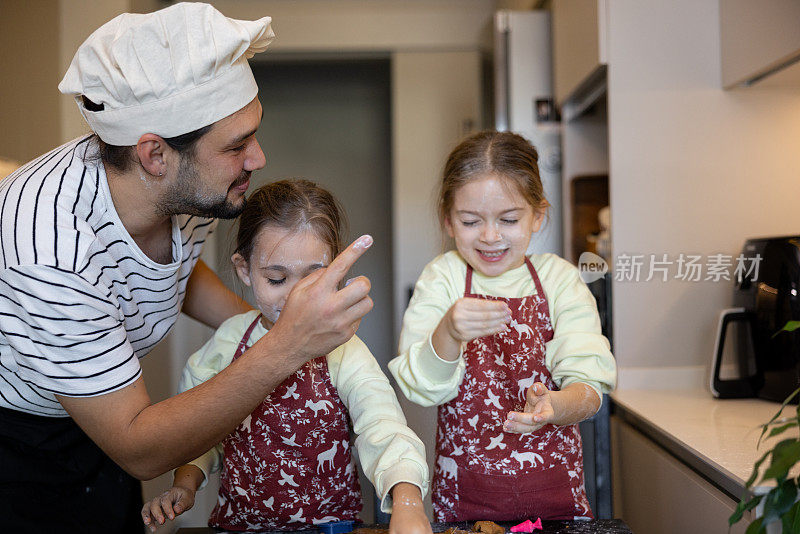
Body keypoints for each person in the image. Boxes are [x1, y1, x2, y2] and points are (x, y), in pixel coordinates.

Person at [0, 4, 373, 532]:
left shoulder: (189, 189)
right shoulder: (49, 252)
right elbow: (139, 447)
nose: (258, 158)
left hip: (107, 425)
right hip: (19, 446)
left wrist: (256, 323)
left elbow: (170, 264)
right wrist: (287, 342)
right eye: (237, 145)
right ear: (154, 154)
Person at [140, 180, 431, 533]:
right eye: (277, 278)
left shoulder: (345, 351)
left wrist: (408, 500)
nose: (297, 299)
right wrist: (184, 486)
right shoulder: (228, 343)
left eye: (313, 278)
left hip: (331, 527)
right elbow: (199, 434)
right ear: (245, 269)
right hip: (239, 527)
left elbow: (382, 429)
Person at [388, 131, 617, 521]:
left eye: (509, 219)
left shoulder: (559, 280)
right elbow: (421, 390)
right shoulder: (442, 279)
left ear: (538, 215)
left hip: (556, 502)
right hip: (464, 505)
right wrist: (449, 332)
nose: (491, 236)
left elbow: (590, 390)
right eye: (471, 221)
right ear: (448, 219)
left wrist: (555, 405)